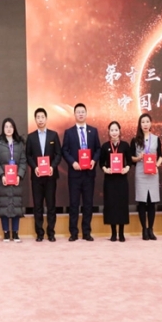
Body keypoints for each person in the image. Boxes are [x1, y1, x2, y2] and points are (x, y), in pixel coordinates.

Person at [62, 103, 101, 241]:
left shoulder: (93, 131)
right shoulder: (69, 132)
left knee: (88, 204)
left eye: (82, 111)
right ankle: (73, 233)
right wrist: (73, 162)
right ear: (74, 114)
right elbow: (64, 150)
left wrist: (94, 161)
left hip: (89, 174)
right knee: (74, 204)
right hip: (75, 174)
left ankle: (86, 232)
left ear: (86, 113)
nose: (80, 114)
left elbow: (98, 149)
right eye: (78, 112)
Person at [25, 108, 62, 242]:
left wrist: (52, 166)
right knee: (38, 206)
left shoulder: (53, 135)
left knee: (51, 205)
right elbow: (28, 155)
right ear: (35, 119)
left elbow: (58, 154)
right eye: (38, 117)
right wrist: (34, 167)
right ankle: (39, 233)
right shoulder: (31, 137)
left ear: (46, 119)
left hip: (50, 176)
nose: (40, 119)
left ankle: (51, 233)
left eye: (42, 117)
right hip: (37, 177)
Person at [0, 118, 28, 242]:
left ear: (14, 128)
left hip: (16, 179)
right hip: (3, 179)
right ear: (3, 129)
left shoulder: (19, 144)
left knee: (16, 204)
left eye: (11, 126)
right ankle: (6, 232)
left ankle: (16, 232)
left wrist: (19, 175)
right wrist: (1, 175)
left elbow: (23, 162)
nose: (8, 129)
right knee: (4, 204)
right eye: (6, 126)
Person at [130, 113, 162, 241]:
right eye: (143, 122)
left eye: (147, 121)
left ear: (151, 123)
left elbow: (160, 156)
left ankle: (151, 229)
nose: (145, 124)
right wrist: (139, 157)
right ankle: (144, 229)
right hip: (141, 172)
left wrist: (156, 165)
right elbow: (131, 158)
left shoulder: (156, 139)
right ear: (140, 124)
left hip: (153, 173)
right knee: (142, 202)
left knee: (152, 202)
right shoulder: (135, 140)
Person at [99, 121, 132, 242]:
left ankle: (121, 233)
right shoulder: (105, 146)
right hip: (110, 180)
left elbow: (129, 161)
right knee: (111, 205)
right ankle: (113, 233)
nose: (114, 132)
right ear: (109, 132)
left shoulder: (125, 145)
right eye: (112, 130)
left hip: (122, 180)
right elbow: (101, 163)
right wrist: (105, 169)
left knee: (121, 205)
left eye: (116, 130)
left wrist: (126, 168)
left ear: (119, 131)